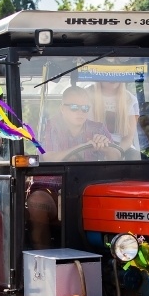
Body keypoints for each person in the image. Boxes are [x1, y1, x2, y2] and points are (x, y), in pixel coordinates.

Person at [27, 86, 121, 248]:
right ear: (62, 108)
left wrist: (104, 146)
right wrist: (83, 146)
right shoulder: (50, 126)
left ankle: (117, 251)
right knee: (37, 202)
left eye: (85, 108)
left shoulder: (97, 128)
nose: (80, 112)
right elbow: (49, 157)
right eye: (74, 107)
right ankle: (42, 257)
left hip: (87, 189)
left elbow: (117, 155)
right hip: (52, 190)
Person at [87, 80, 139, 151]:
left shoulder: (129, 99)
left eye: (117, 70)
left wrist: (117, 153)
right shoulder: (86, 94)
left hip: (121, 147)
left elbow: (128, 138)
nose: (112, 77)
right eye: (107, 71)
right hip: (91, 145)